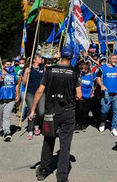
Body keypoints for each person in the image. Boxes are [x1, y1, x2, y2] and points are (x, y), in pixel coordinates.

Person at [29, 46, 82, 182]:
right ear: (72, 56)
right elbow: (79, 94)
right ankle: (62, 177)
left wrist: (33, 110)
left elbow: (40, 91)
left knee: (48, 140)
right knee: (65, 146)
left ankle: (43, 170)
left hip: (50, 111)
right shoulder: (75, 72)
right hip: (68, 112)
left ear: (59, 54)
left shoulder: (50, 70)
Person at [96, 54, 117, 136]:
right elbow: (98, 78)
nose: (115, 60)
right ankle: (103, 121)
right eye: (113, 59)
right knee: (104, 110)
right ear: (109, 59)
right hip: (106, 94)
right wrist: (101, 85)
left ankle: (113, 128)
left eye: (116, 59)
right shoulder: (102, 68)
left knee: (116, 111)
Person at [0, 59, 19, 141]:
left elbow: (16, 84)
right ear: (3, 66)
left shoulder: (13, 75)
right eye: (7, 64)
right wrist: (0, 78)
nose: (9, 66)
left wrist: (17, 94)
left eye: (10, 64)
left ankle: (7, 132)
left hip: (10, 99)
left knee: (6, 116)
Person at [22, 55, 46, 140]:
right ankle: (30, 130)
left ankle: (37, 125)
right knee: (31, 111)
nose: (41, 59)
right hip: (30, 93)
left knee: (41, 111)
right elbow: (24, 83)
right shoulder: (28, 69)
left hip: (41, 93)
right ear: (34, 60)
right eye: (39, 58)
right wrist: (26, 73)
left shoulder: (43, 68)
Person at [75, 61, 94, 130]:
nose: (82, 71)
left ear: (86, 69)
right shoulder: (79, 75)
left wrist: (93, 92)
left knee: (86, 111)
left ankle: (84, 124)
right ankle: (77, 123)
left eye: (83, 69)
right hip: (80, 96)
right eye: (81, 69)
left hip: (88, 96)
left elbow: (95, 83)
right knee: (79, 110)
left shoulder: (91, 75)